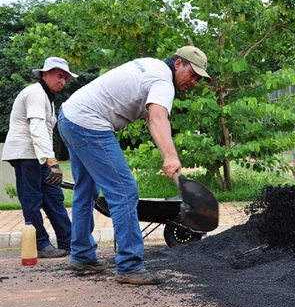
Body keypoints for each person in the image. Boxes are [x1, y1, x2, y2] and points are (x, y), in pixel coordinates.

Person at [58, 46, 211, 285]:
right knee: (124, 192)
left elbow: (152, 119)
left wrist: (167, 154)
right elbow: (159, 118)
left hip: (69, 116)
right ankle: (129, 265)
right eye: (192, 74)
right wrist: (171, 157)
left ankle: (81, 254)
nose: (193, 81)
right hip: (89, 123)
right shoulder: (163, 80)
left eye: (198, 79)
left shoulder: (150, 65)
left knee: (85, 190)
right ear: (178, 63)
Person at [2, 57, 78, 258]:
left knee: (53, 196)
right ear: (45, 74)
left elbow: (45, 130)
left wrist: (47, 158)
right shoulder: (35, 93)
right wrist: (51, 160)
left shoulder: (47, 97)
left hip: (38, 154)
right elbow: (36, 128)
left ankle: (68, 241)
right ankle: (41, 244)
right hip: (26, 153)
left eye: (65, 78)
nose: (62, 81)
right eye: (59, 76)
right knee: (32, 199)